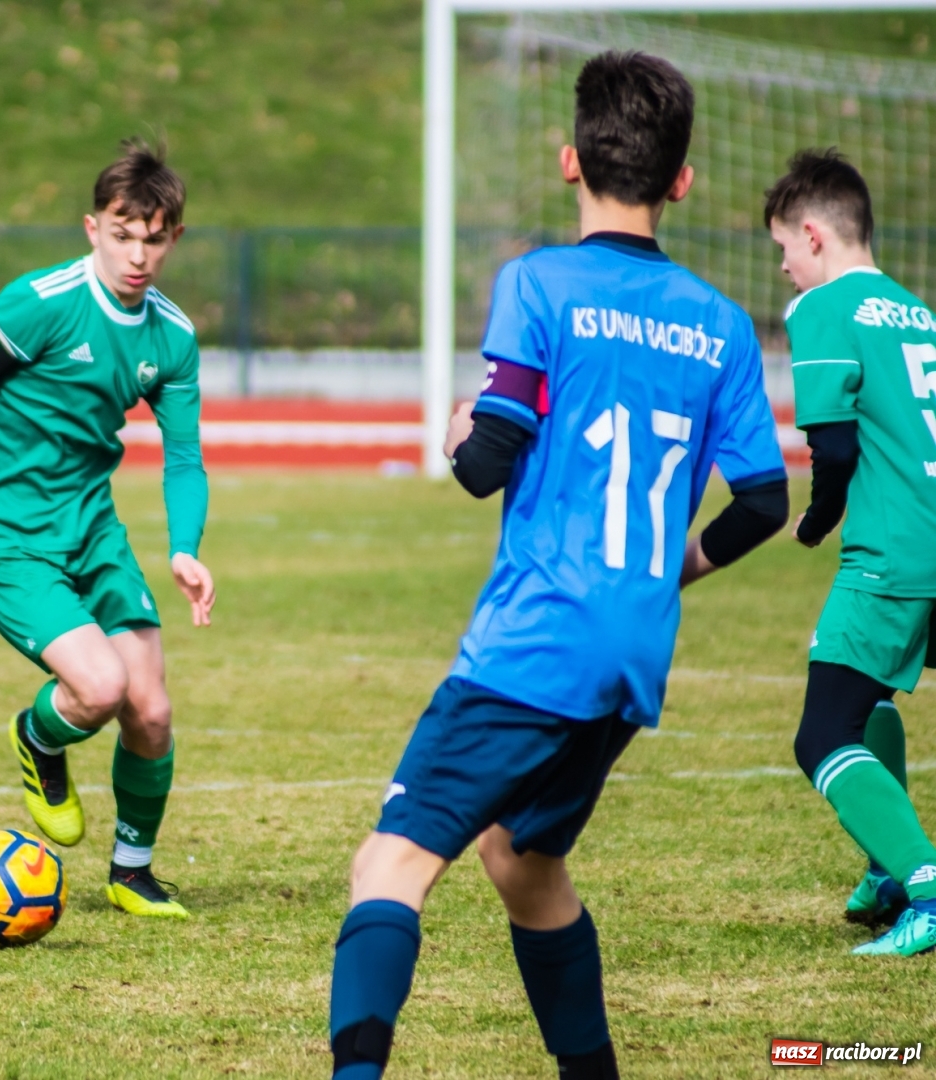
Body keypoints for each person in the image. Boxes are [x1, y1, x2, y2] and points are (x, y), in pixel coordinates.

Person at [327, 52, 789, 1079]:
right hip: (630, 655)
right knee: (522, 860)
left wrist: (454, 432)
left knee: (388, 864)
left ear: (569, 160)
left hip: (535, 640)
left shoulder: (537, 283)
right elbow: (765, 500)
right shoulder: (718, 321)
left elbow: (486, 466)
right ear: (681, 182)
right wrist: (673, 570)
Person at [0, 140, 215, 918]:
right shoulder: (42, 302)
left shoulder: (172, 337)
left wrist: (185, 548)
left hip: (89, 524)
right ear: (92, 228)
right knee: (101, 688)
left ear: (174, 237)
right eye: (123, 234)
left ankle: (132, 873)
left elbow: (184, 458)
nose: (138, 254)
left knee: (150, 707)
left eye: (154, 237)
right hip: (3, 530)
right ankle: (39, 738)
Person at [769, 148, 936, 956]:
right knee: (869, 695)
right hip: (929, 540)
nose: (784, 270)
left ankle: (927, 887)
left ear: (813, 236)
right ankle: (886, 869)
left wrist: (817, 518)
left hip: (893, 554)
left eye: (784, 252)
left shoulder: (825, 309)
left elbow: (831, 447)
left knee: (821, 733)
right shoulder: (919, 311)